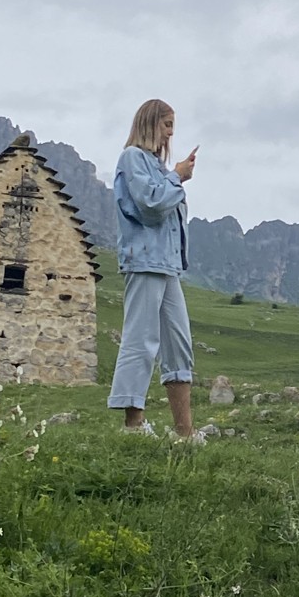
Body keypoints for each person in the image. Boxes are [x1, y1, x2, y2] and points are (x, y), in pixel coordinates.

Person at [107, 98, 198, 438]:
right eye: (166, 125)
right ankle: (133, 425)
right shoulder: (132, 159)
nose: (170, 133)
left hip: (167, 265)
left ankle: (184, 433)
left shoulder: (158, 168)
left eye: (172, 126)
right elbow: (151, 205)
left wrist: (173, 177)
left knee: (178, 342)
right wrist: (177, 177)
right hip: (144, 261)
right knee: (141, 337)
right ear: (150, 123)